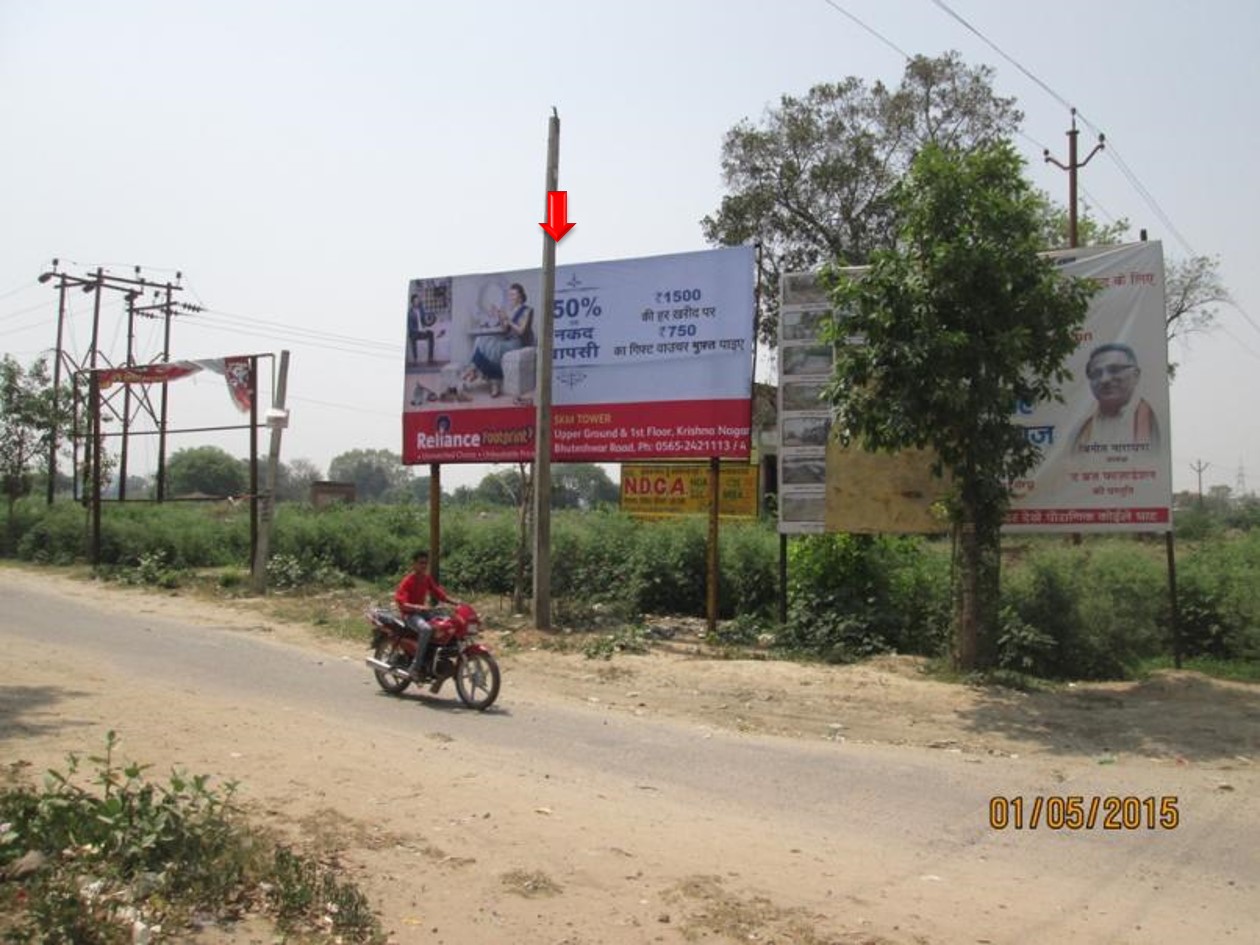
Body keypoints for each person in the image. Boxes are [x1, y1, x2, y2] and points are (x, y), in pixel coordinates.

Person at [1073, 342, 1160, 450]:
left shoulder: (1153, 421)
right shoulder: (1079, 431)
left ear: (1136, 375)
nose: (1104, 379)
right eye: (1096, 373)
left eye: (1114, 370)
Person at [393, 549, 464, 679]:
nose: (424, 566)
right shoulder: (408, 581)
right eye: (421, 563)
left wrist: (456, 603)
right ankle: (415, 666)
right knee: (426, 629)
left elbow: (438, 593)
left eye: (426, 563)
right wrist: (416, 607)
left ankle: (435, 655)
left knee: (448, 622)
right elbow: (401, 602)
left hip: (424, 612)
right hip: (410, 615)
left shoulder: (426, 579)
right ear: (413, 564)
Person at [463, 282, 534, 397]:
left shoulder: (528, 310)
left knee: (495, 347)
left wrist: (508, 320)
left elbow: (521, 331)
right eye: (510, 295)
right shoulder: (511, 310)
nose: (511, 297)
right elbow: (505, 329)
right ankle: (482, 373)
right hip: (508, 339)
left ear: (520, 295)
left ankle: (485, 376)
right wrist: (500, 316)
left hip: (518, 342)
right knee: (483, 340)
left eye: (513, 295)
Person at [408, 292, 435, 364]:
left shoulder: (421, 310)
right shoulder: (410, 313)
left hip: (421, 332)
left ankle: (430, 358)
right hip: (414, 333)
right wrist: (419, 331)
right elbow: (410, 328)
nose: (417, 302)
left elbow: (425, 321)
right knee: (412, 338)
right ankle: (415, 359)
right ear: (412, 302)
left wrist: (427, 325)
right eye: (415, 301)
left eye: (418, 300)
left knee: (431, 334)